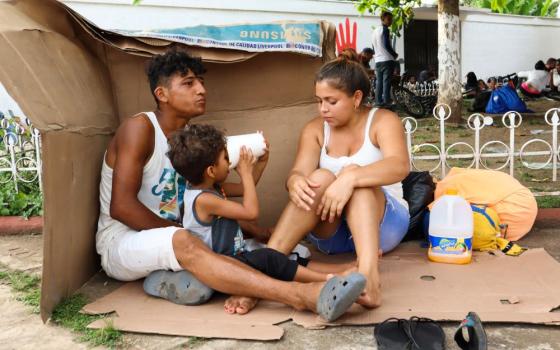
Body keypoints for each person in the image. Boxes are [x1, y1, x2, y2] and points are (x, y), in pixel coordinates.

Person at [95, 48, 365, 320]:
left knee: (267, 251)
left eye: (201, 81)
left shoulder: (189, 141)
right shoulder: (140, 128)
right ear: (161, 94)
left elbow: (217, 196)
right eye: (189, 83)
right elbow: (122, 207)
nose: (201, 89)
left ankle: (330, 276)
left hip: (174, 239)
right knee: (189, 242)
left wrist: (253, 230)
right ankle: (300, 295)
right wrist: (189, 236)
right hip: (123, 242)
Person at [229, 56, 411, 313]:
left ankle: (370, 280)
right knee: (319, 178)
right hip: (332, 233)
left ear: (357, 98)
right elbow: (297, 173)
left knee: (358, 181)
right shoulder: (315, 129)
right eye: (319, 101)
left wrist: (350, 178)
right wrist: (294, 182)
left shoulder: (383, 120)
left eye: (331, 101)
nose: (323, 109)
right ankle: (265, 268)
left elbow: (400, 166)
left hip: (383, 225)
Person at [166, 123, 339, 284]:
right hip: (221, 264)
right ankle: (326, 279)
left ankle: (340, 272)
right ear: (211, 171)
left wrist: (261, 162)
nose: (230, 162)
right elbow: (251, 212)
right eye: (226, 158)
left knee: (287, 257)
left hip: (233, 254)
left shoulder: (208, 187)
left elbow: (244, 188)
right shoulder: (204, 200)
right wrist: (246, 173)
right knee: (270, 258)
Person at [372, 11, 398, 107]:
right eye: (389, 19)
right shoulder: (385, 30)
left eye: (391, 19)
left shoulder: (375, 31)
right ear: (382, 19)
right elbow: (386, 45)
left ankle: (378, 102)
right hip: (387, 59)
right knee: (386, 82)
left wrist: (377, 55)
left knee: (379, 82)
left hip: (378, 60)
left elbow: (373, 47)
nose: (390, 21)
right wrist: (394, 54)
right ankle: (387, 101)